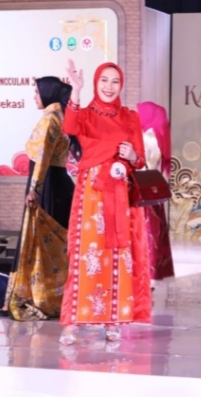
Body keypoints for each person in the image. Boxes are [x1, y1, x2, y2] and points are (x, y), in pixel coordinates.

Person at [59, 59, 151, 344]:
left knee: (117, 254)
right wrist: (76, 90)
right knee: (86, 254)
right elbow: (69, 126)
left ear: (121, 85)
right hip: (91, 193)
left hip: (120, 192)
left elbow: (140, 160)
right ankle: (73, 321)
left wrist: (132, 156)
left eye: (115, 81)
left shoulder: (130, 117)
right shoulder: (85, 114)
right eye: (104, 80)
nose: (109, 86)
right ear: (96, 83)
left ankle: (112, 319)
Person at [5, 76, 75, 321]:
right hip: (59, 184)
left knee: (43, 245)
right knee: (57, 245)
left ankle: (43, 299)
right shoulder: (61, 116)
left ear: (47, 93)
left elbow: (43, 156)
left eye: (36, 92)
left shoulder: (50, 119)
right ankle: (61, 298)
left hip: (48, 187)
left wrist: (34, 189)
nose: (34, 97)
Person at [136, 101, 175, 283]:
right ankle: (151, 273)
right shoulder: (158, 135)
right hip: (152, 191)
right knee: (153, 232)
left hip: (142, 191)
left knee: (145, 233)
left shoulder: (147, 137)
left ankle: (146, 275)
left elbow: (141, 162)